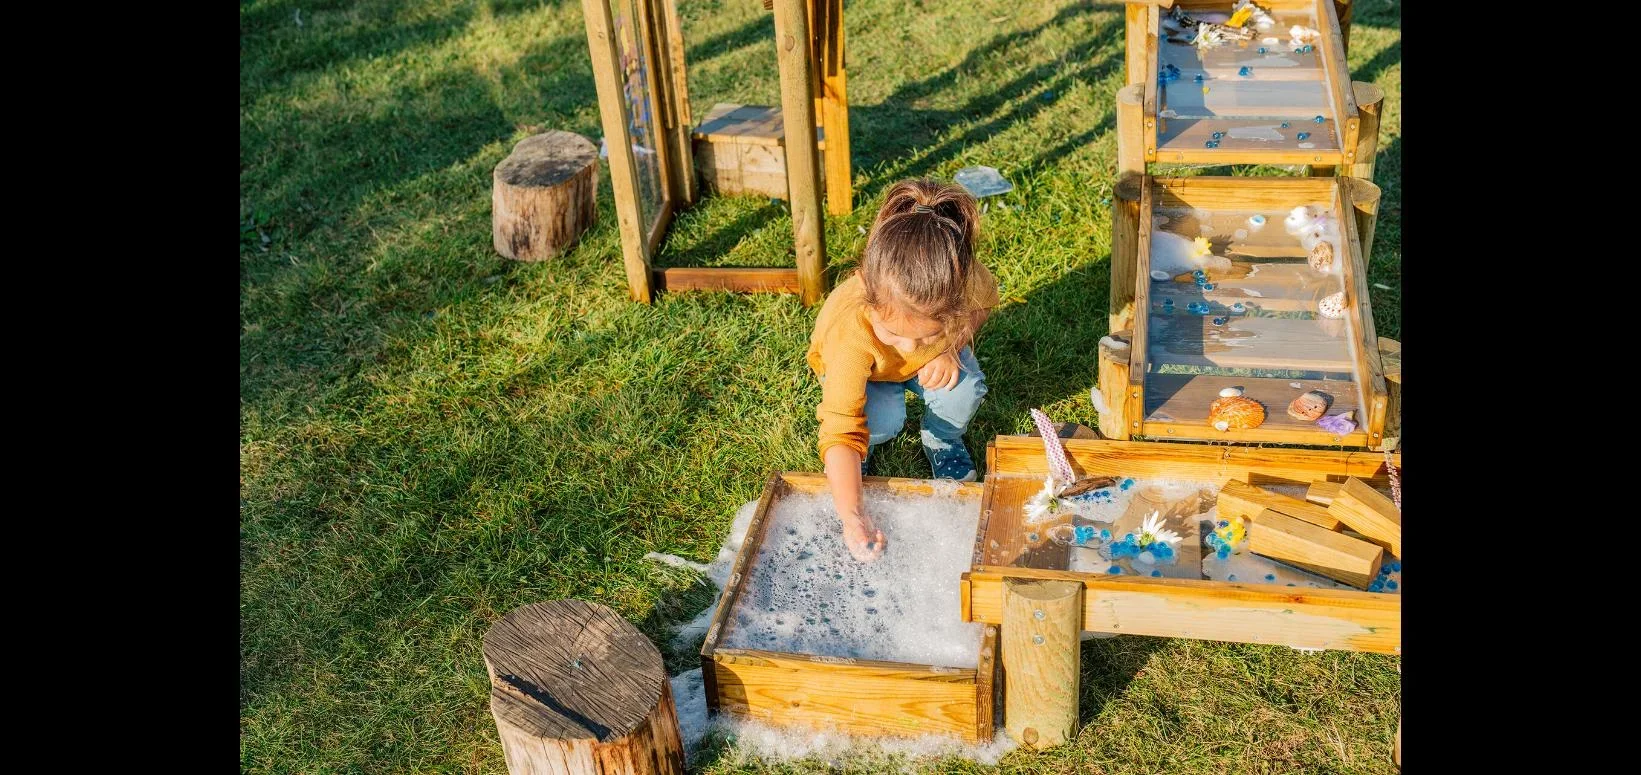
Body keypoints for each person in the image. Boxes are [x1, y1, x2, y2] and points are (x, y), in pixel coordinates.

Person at [806, 179, 998, 562]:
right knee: (880, 422)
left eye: (928, 334)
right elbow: (840, 429)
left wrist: (949, 347)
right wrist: (853, 516)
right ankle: (864, 454)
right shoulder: (851, 337)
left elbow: (983, 304)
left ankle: (942, 438)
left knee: (964, 389)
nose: (910, 348)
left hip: (930, 361)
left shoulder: (964, 278)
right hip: (869, 372)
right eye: (893, 333)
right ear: (867, 293)